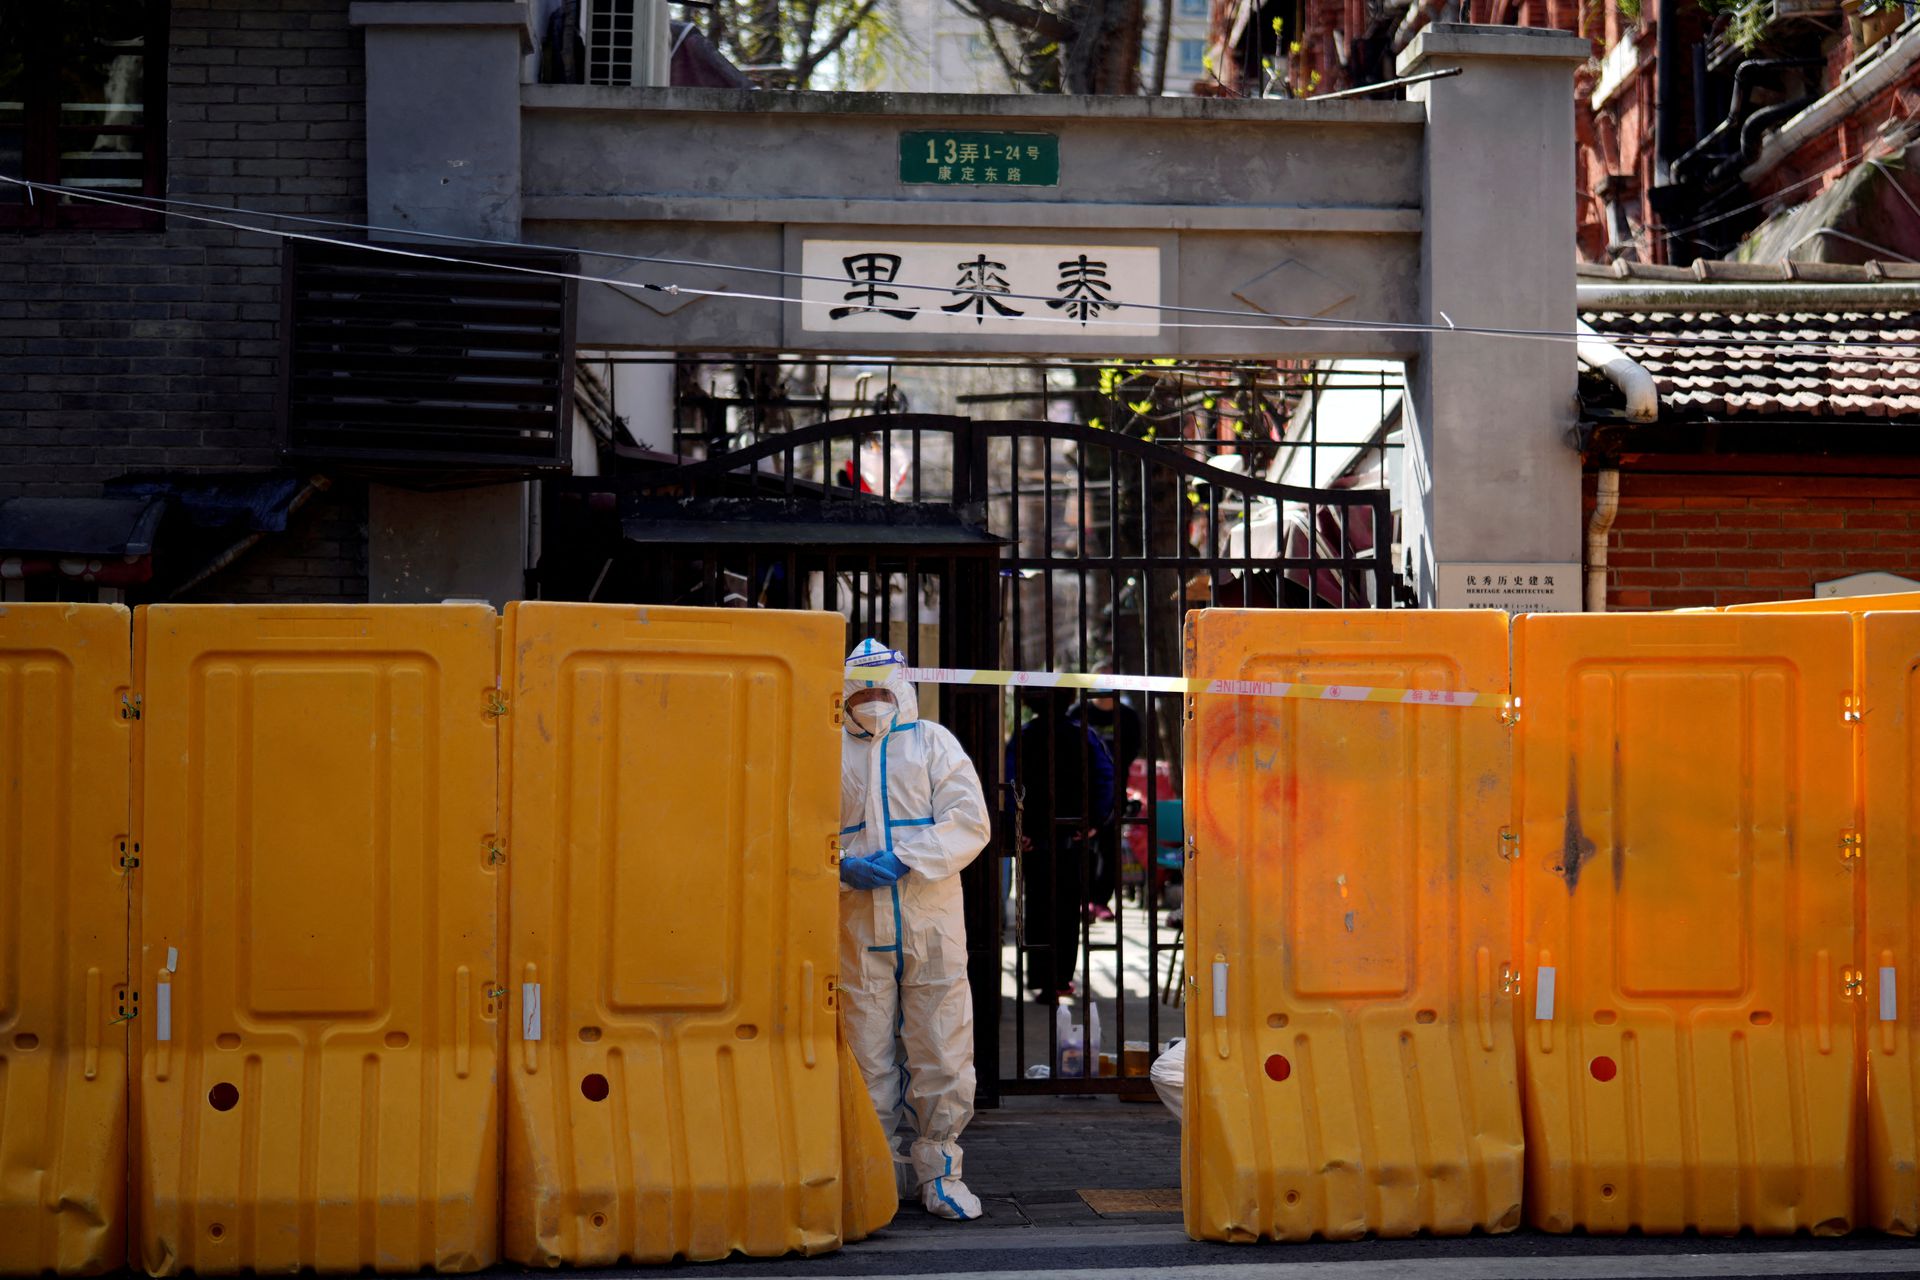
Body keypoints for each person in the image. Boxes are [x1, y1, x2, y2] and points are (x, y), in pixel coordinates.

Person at [839, 639, 992, 1221]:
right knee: (864, 1055)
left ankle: (942, 1171)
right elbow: (798, 830)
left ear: (901, 690)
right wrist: (841, 867)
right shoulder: (828, 751)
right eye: (862, 691)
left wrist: (909, 856)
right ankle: (877, 1172)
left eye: (882, 690)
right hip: (856, 925)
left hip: (929, 923)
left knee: (943, 1049)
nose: (873, 701)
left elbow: (969, 821)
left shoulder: (932, 742)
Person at [1004, 686, 1114, 1001]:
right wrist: (1093, 822)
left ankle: (1041, 977)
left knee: (1037, 907)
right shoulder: (1084, 736)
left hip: (1034, 838)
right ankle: (1061, 979)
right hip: (1072, 835)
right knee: (1067, 911)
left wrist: (1018, 828)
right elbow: (1105, 778)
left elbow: (1011, 782)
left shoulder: (1024, 736)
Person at [1073, 669, 1142, 922]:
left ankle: (1100, 901)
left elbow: (1132, 751)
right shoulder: (1078, 713)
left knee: (1108, 848)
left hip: (1114, 790)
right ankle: (1082, 900)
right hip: (1079, 792)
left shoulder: (1128, 717)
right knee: (1080, 847)